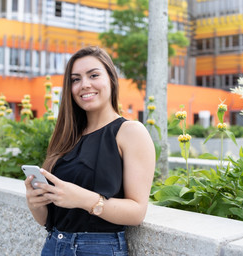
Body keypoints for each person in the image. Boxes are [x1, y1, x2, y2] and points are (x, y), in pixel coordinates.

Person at [24, 46, 155, 256]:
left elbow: (137, 212)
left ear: (111, 79)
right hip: (53, 245)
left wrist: (82, 199)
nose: (84, 85)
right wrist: (35, 203)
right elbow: (48, 220)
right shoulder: (67, 136)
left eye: (93, 75)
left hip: (98, 249)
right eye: (75, 79)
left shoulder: (130, 132)